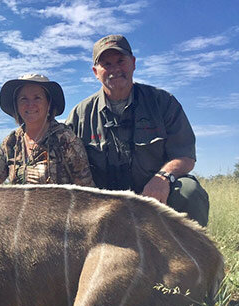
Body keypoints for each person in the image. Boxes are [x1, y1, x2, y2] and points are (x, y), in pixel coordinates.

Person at [66, 34, 209, 226]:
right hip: (103, 208)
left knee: (189, 192)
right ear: (95, 71)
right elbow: (64, 165)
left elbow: (185, 156)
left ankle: (192, 255)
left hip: (154, 199)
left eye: (120, 61)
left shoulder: (163, 102)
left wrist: (162, 178)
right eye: (106, 64)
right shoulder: (80, 114)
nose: (115, 69)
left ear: (133, 63)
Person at [0, 74, 94, 187]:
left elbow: (87, 189)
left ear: (48, 103)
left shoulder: (65, 139)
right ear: (16, 105)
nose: (30, 104)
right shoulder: (11, 142)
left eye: (37, 98)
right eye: (24, 99)